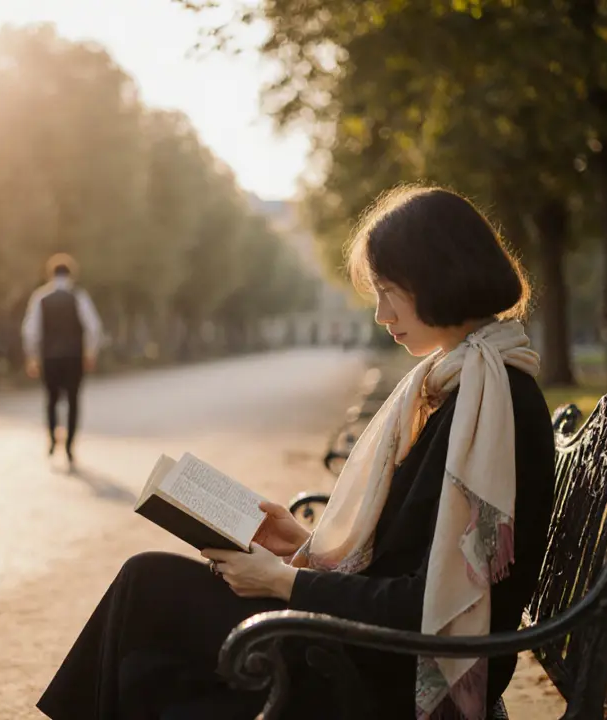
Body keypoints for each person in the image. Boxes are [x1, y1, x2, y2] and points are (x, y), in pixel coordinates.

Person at [35, 186, 558, 720]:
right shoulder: (464, 389)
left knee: (149, 591)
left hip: (396, 675)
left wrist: (283, 581)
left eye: (388, 290)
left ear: (435, 277)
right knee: (146, 590)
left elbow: (428, 605)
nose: (380, 314)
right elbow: (415, 563)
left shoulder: (494, 405)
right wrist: (303, 543)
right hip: (374, 648)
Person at [21, 253, 103, 466]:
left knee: (51, 400)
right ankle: (69, 446)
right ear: (71, 274)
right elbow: (93, 327)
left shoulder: (41, 298)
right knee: (74, 401)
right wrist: (90, 353)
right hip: (74, 356)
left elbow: (31, 331)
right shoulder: (79, 296)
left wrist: (32, 357)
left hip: (49, 357)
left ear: (50, 273)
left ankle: (52, 437)